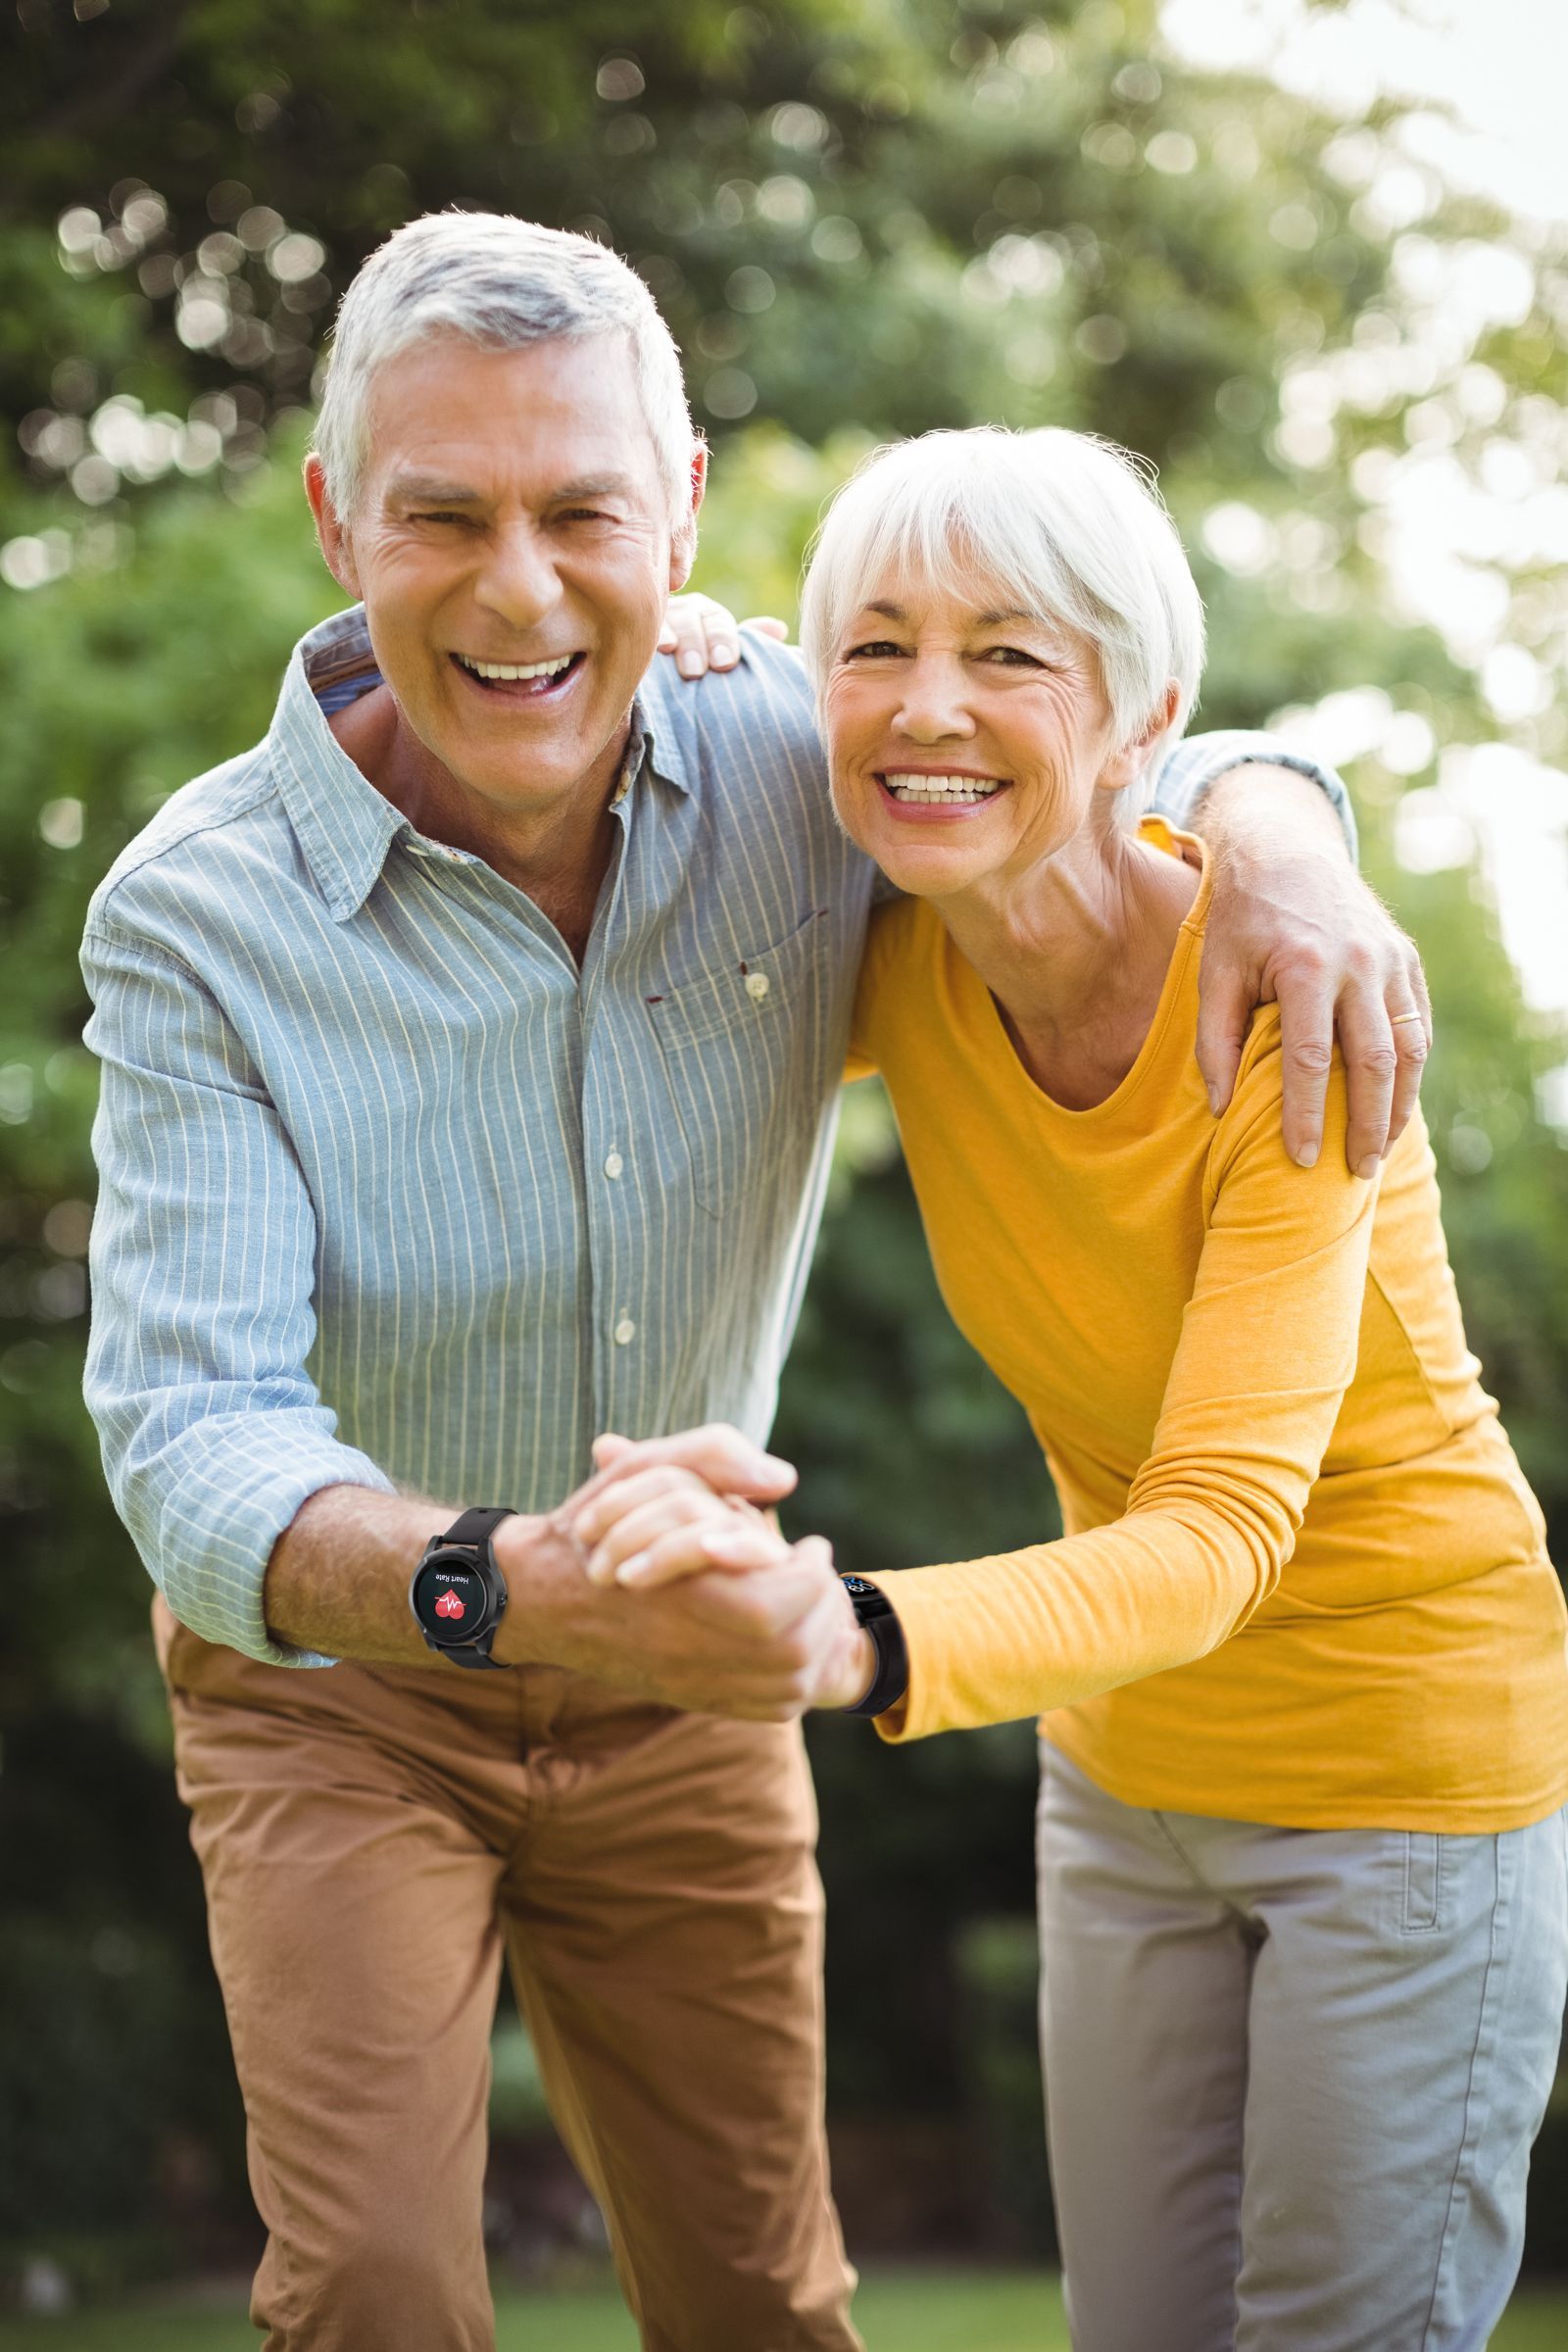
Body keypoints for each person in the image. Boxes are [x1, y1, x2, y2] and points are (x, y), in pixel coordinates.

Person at [81, 212, 1426, 2352]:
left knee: (760, 2304)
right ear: (341, 518)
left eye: (581, 513)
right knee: (373, 2289)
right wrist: (505, 1584)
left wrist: (1283, 828)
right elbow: (188, 1436)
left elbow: (1077, 740)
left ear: (678, 515)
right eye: (442, 515)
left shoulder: (807, 771)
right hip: (348, 1699)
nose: (520, 590)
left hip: (691, 1694)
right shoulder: (200, 913)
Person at [579, 426, 1568, 2351]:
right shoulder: (896, 961)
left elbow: (1215, 1537)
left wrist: (850, 1631)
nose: (924, 705)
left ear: (1142, 717)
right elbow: (679, 890)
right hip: (1120, 1776)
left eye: (1010, 655)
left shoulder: (1286, 998)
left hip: (1404, 1778)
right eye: (872, 646)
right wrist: (668, 666)